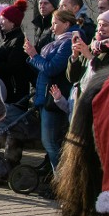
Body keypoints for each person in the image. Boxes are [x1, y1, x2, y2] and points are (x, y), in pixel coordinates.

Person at [24, 9, 79, 174]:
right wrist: (33, 57)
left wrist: (34, 55)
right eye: (52, 23)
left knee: (50, 142)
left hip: (55, 98)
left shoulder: (68, 42)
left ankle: (62, 179)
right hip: (46, 96)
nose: (52, 26)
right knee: (49, 142)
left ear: (67, 24)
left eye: (56, 23)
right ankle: (59, 178)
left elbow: (52, 68)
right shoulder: (57, 41)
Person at [66, 8, 109, 116]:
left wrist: (89, 57)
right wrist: (75, 55)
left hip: (102, 108)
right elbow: (72, 77)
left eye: (105, 25)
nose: (100, 28)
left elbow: (106, 77)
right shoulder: (92, 46)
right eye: (99, 24)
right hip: (82, 105)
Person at [0, 0, 31, 104]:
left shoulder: (19, 40)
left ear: (12, 22)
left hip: (13, 95)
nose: (0, 22)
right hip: (5, 90)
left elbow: (12, 67)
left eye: (3, 19)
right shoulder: (6, 40)